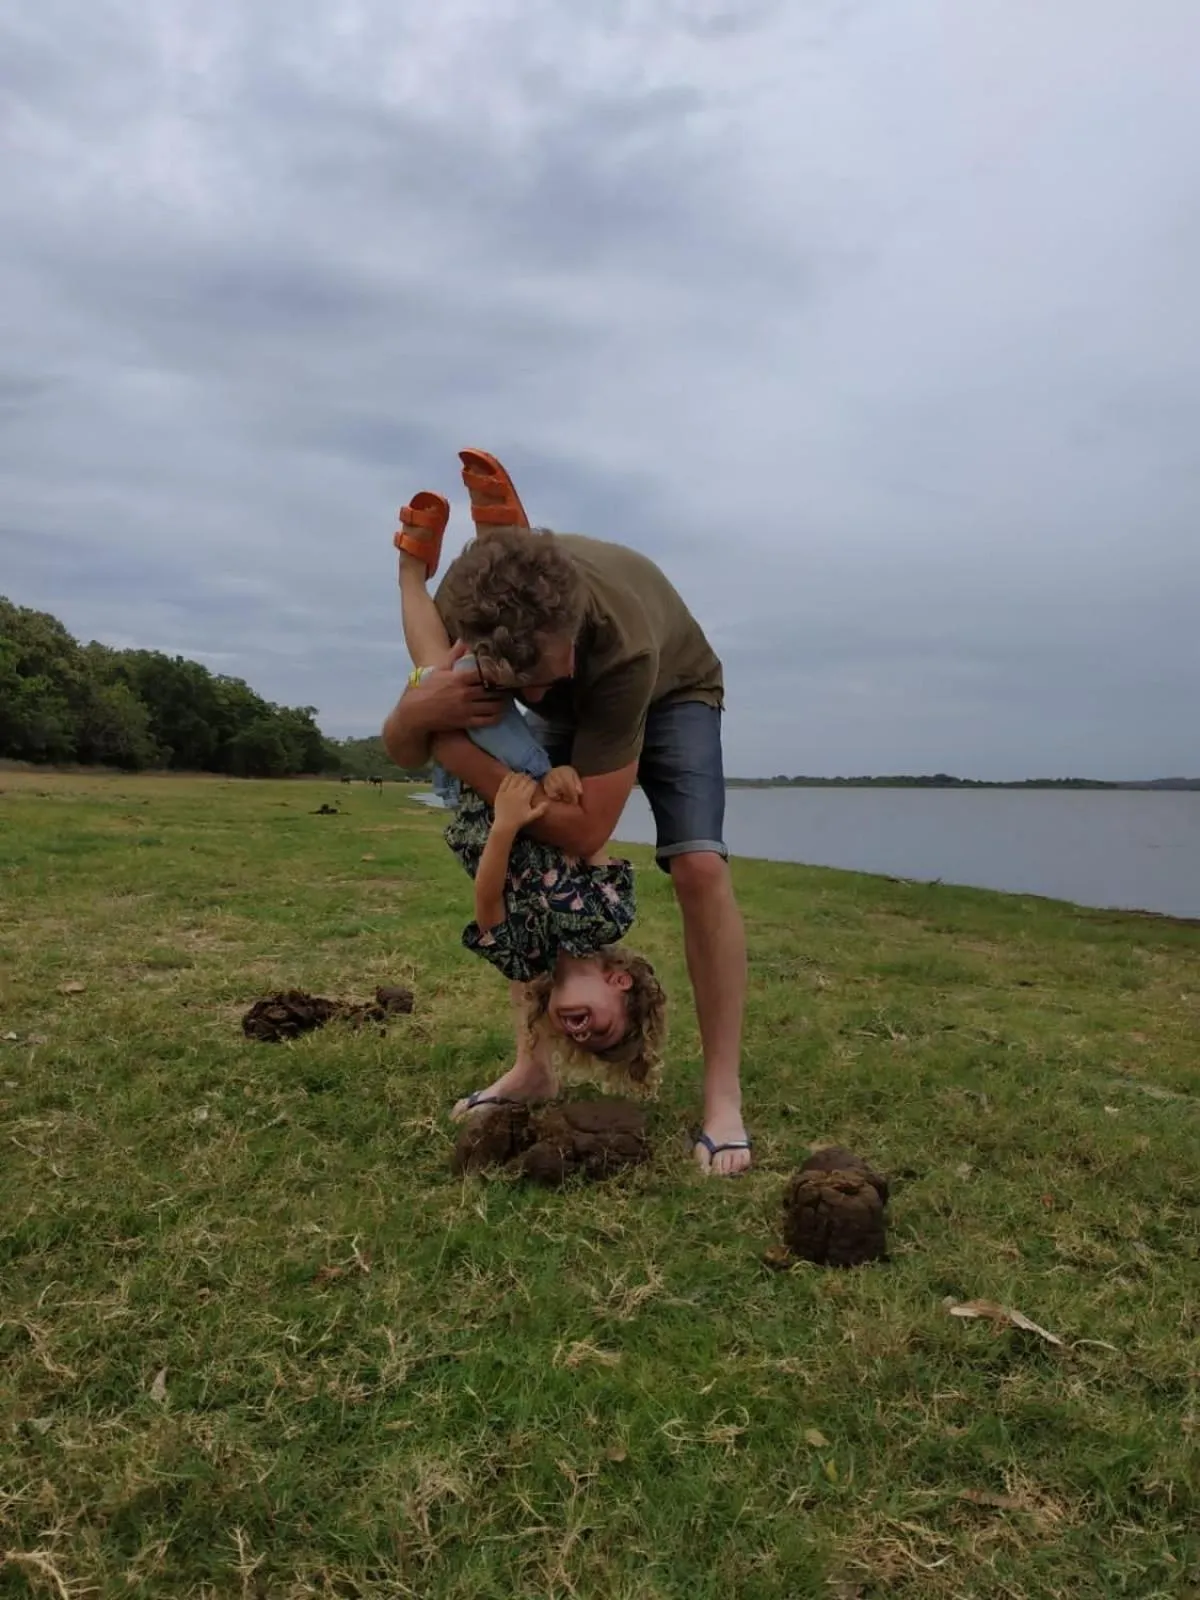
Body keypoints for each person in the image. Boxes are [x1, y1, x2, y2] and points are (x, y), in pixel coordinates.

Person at [383, 450, 750, 1176]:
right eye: (533, 683)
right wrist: (420, 709)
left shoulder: (611, 653)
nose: (561, 686)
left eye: (557, 665)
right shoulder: (473, 616)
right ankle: (533, 1067)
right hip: (515, 659)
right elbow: (402, 752)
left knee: (699, 864)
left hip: (671, 682)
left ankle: (722, 1096)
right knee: (508, 801)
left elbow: (585, 833)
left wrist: (458, 755)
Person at [392, 489, 666, 1110]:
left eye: (581, 1045)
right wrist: (560, 781)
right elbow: (584, 840)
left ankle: (467, 561)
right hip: (522, 776)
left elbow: (486, 898)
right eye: (604, 1030)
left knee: (438, 676)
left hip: (477, 806)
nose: (583, 1036)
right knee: (447, 676)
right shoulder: (607, 917)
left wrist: (506, 827)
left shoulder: (525, 964)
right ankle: (490, 556)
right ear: (619, 983)